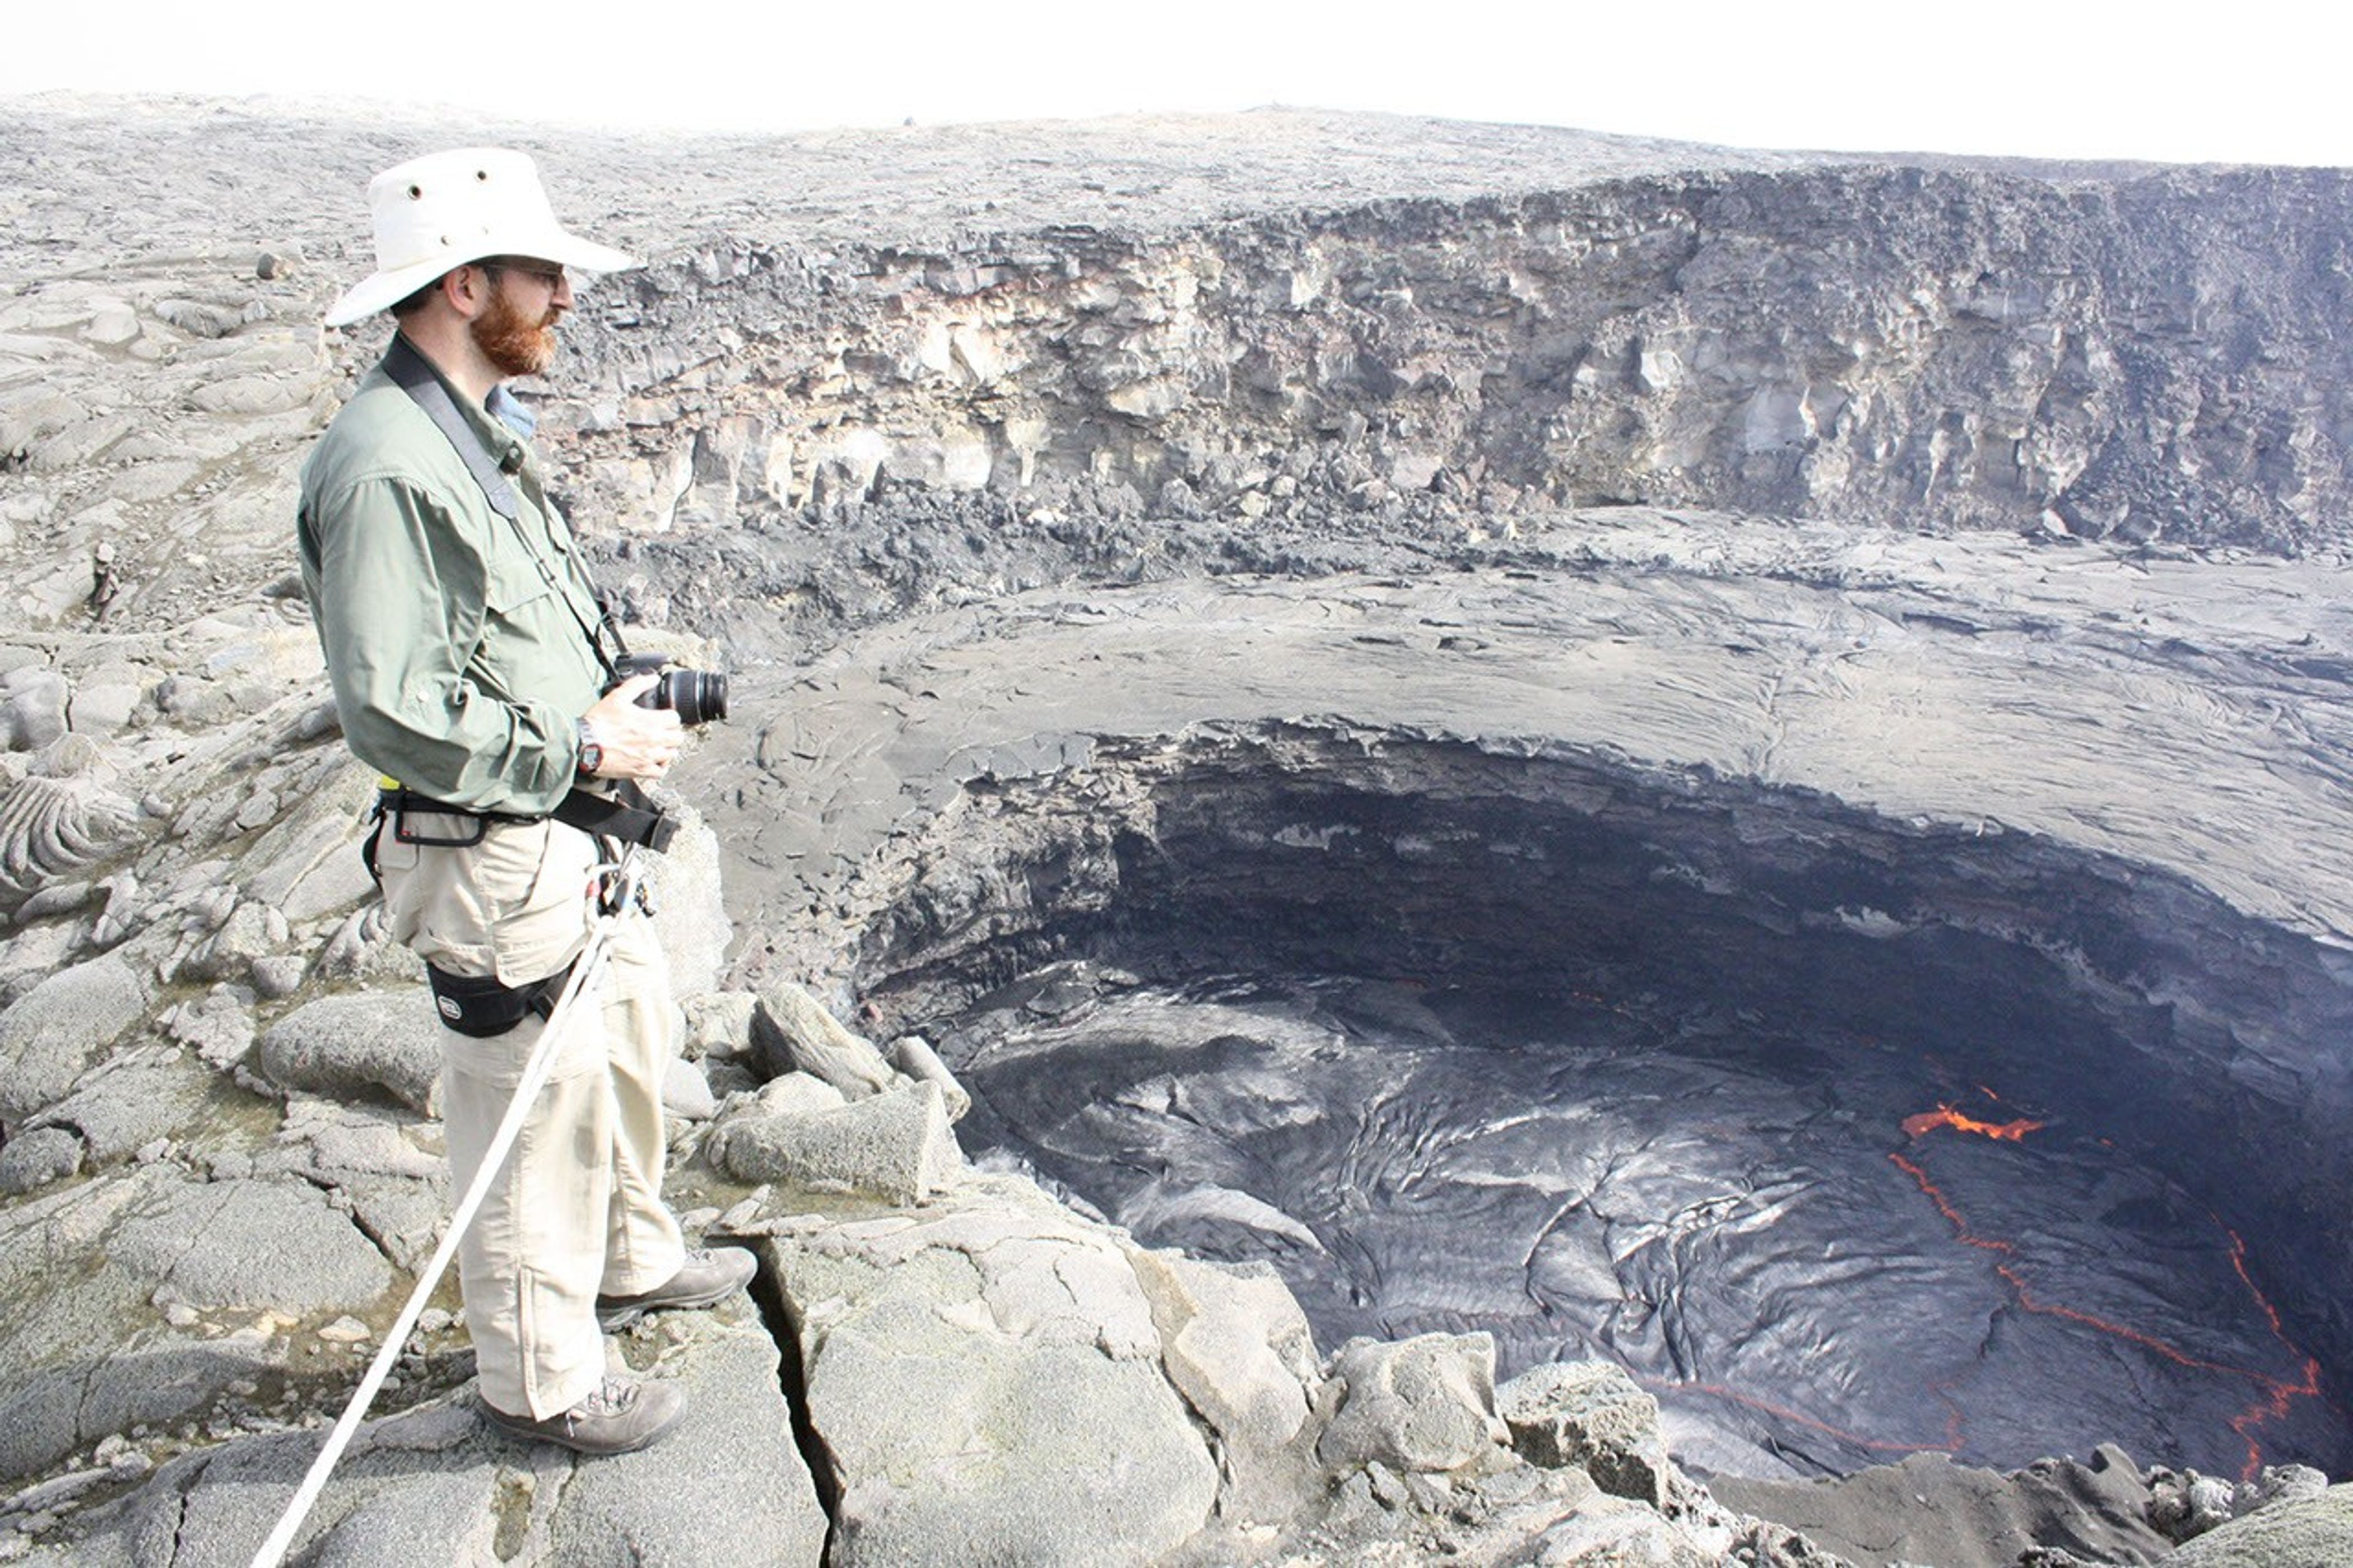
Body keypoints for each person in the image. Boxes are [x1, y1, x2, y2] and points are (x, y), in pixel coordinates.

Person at [296, 147, 752, 1455]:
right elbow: (393, 708)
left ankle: (630, 1256)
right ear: (463, 285)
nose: (564, 296)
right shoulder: (388, 466)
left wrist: (607, 701)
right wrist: (583, 739)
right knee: (530, 1111)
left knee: (629, 1032)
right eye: (543, 273)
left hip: (560, 830)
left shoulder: (469, 430)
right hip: (492, 847)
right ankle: (540, 1381)